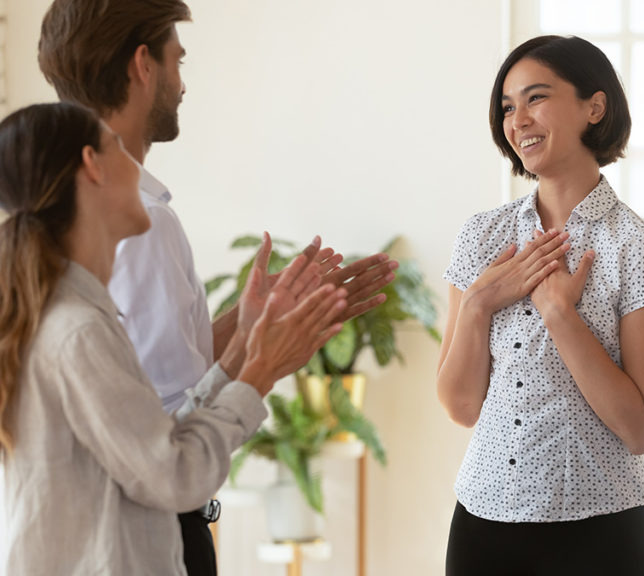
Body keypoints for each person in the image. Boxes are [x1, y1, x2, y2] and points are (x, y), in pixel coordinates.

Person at [36, 1, 398, 572]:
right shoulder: (141, 222)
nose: (183, 84)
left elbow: (140, 375)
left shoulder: (59, 217)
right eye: (177, 60)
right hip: (148, 530)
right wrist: (265, 358)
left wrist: (249, 324)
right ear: (142, 65)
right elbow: (174, 438)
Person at [0, 102, 347, 575]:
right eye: (117, 147)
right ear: (91, 167)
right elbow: (175, 474)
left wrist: (244, 343)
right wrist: (259, 372)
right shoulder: (76, 330)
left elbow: (151, 448)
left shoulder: (75, 316)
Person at [436, 35, 644, 575]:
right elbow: (459, 406)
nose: (517, 119)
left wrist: (561, 316)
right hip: (482, 530)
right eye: (507, 106)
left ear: (595, 107)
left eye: (536, 98)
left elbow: (642, 429)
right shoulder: (482, 237)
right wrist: (477, 305)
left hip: (603, 537)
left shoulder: (640, 245)